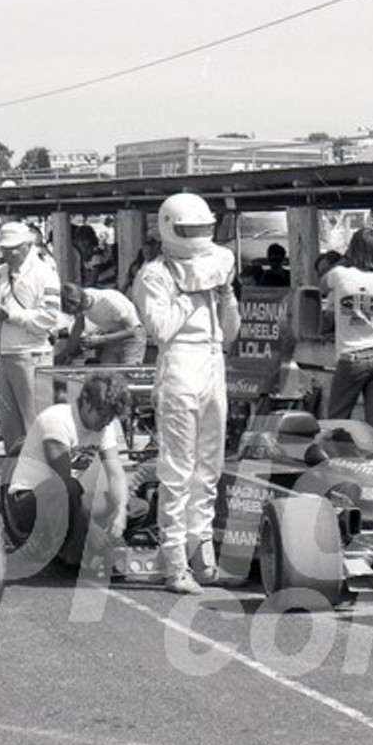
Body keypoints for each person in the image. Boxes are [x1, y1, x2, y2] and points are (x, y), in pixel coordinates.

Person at [135, 192, 240, 595]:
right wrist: (192, 292)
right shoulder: (154, 273)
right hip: (178, 363)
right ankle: (175, 562)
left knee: (208, 467)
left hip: (213, 360)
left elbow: (230, 334)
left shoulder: (218, 262)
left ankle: (203, 554)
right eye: (190, 229)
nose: (197, 235)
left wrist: (226, 293)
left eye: (202, 228)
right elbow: (159, 330)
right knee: (177, 469)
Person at [5, 373, 131, 571]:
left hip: (68, 501)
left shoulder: (105, 428)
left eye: (111, 416)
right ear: (86, 401)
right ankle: (73, 553)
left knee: (137, 505)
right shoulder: (57, 419)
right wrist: (92, 528)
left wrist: (121, 510)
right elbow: (63, 482)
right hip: (27, 505)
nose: (106, 420)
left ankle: (99, 543)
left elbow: (116, 474)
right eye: (101, 412)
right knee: (69, 488)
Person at [0, 221, 62, 453]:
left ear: (27, 246)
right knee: (11, 428)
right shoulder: (1, 272)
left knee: (35, 421)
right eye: (4, 248)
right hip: (5, 354)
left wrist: (10, 316)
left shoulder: (45, 273)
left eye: (12, 248)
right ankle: (16, 479)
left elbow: (50, 318)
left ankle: (42, 475)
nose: (7, 253)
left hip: (31, 354)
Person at [320, 227, 373, 434]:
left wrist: (345, 259)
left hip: (351, 355)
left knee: (337, 419)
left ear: (351, 250)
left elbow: (321, 286)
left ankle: (336, 460)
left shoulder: (339, 274)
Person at [61, 282, 147, 365]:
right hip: (111, 334)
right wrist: (70, 353)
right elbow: (78, 328)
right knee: (107, 373)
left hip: (132, 336)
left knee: (127, 374)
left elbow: (132, 330)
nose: (76, 314)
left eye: (76, 311)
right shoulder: (81, 301)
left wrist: (100, 339)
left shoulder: (109, 301)